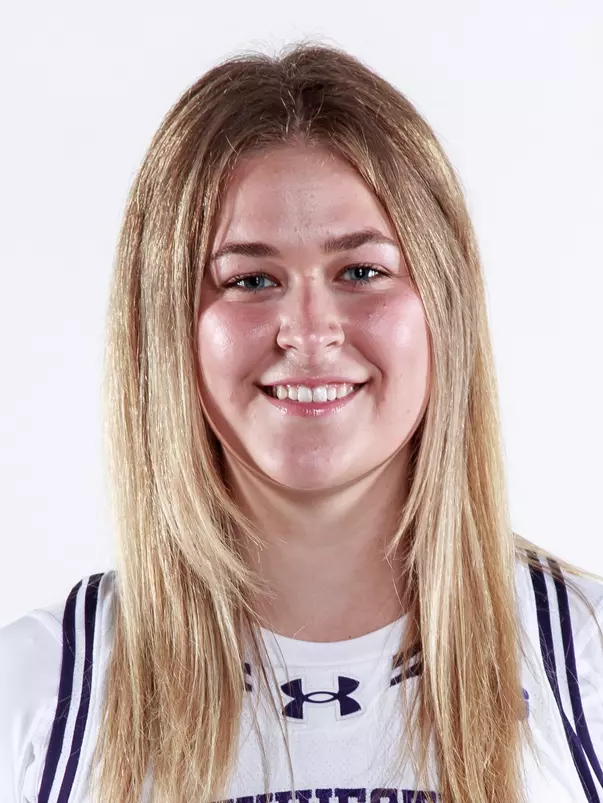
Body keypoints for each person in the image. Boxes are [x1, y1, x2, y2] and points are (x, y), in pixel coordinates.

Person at [0, 41, 602, 803]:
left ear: (442, 305)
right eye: (251, 279)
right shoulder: (38, 689)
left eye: (361, 271)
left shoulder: (584, 662)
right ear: (164, 324)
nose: (309, 332)